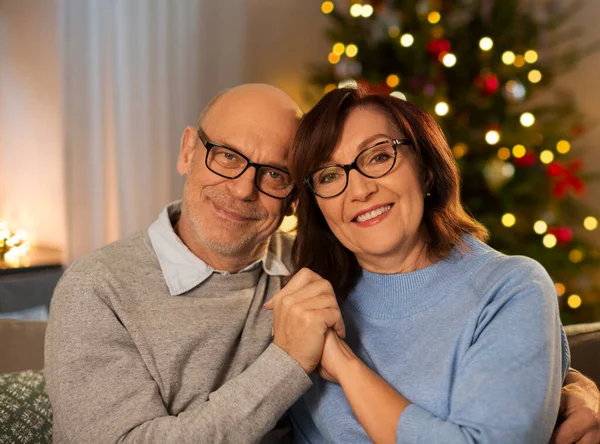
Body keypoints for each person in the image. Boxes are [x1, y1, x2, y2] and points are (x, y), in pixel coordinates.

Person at [44, 83, 599, 443]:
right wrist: (288, 362)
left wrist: (570, 388)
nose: (243, 190)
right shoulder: (98, 289)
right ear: (190, 150)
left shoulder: (309, 270)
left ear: (292, 197)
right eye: (228, 157)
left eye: (275, 173)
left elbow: (482, 339)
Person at [282, 86, 599, 443]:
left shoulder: (510, 288)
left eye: (377, 156)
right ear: (317, 206)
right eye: (329, 176)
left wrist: (345, 366)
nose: (358, 190)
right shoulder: (302, 300)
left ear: (426, 170)